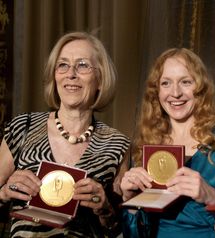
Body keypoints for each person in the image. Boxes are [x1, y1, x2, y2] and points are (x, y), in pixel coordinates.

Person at [0, 31, 130, 237]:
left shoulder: (117, 144)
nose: (71, 74)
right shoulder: (21, 128)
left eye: (83, 65)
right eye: (63, 65)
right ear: (54, 75)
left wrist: (105, 208)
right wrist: (4, 193)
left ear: (101, 79)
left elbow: (122, 230)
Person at [116, 48, 215, 238]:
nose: (175, 93)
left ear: (200, 87)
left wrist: (212, 196)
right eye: (166, 83)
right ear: (156, 91)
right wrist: (130, 202)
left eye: (185, 82)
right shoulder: (146, 143)